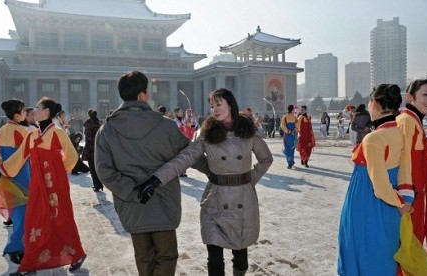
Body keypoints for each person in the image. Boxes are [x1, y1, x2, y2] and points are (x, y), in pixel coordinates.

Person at [136, 88, 273, 276]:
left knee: (240, 257)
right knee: (214, 258)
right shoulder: (207, 133)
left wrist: (247, 182)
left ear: (230, 104)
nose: (214, 109)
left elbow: (266, 159)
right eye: (211, 106)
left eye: (218, 104)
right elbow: (185, 158)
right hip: (215, 201)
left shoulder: (248, 131)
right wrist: (156, 179)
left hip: (243, 200)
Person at [95, 71, 195, 276]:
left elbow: (104, 171)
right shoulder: (166, 126)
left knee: (143, 257)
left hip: (131, 204)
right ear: (143, 95)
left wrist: (133, 191)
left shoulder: (107, 129)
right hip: (163, 201)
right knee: (166, 256)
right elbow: (190, 154)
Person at [0, 97, 87, 273]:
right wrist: (0, 170)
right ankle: (31, 262)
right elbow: (19, 156)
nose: (34, 110)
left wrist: (56, 173)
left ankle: (77, 254)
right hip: (37, 185)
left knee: (62, 219)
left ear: (46, 112)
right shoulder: (32, 135)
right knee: (35, 219)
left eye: (37, 107)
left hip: (56, 187)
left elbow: (72, 158)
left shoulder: (58, 133)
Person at [338, 84, 410, 275]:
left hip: (366, 202)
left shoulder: (374, 138)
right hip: (392, 204)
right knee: (385, 252)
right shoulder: (402, 132)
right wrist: (405, 199)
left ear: (375, 103)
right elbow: (406, 170)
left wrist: (399, 202)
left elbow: (379, 186)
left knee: (360, 250)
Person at [396, 79, 427, 262]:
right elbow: (403, 160)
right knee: (407, 245)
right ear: (410, 97)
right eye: (425, 95)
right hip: (410, 196)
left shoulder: (413, 120)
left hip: (414, 193)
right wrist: (405, 196)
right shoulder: (407, 121)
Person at [0, 99, 30, 265]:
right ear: (17, 114)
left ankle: (20, 247)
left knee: (18, 215)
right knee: (24, 215)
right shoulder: (21, 131)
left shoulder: (2, 130)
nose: (26, 113)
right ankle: (14, 248)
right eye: (24, 111)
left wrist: (1, 170)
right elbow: (28, 154)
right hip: (22, 177)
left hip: (7, 179)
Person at [82, 108, 103, 192]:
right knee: (98, 167)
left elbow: (88, 138)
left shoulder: (88, 125)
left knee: (92, 168)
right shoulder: (99, 124)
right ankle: (100, 184)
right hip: (99, 148)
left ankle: (97, 185)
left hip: (90, 149)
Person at [281, 105, 298, 169]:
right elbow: (297, 124)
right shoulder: (294, 116)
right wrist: (294, 130)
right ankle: (291, 162)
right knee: (292, 149)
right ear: (293, 109)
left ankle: (290, 163)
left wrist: (288, 131)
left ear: (287, 109)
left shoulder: (284, 116)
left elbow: (282, 126)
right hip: (293, 135)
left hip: (287, 135)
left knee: (287, 148)